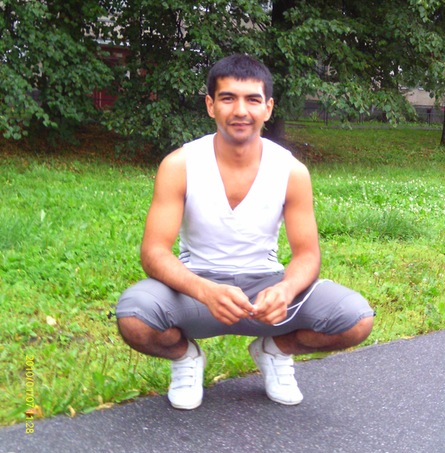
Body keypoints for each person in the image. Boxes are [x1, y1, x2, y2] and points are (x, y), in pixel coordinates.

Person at [116, 54, 374, 410]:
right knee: (134, 317)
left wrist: (285, 290)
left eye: (253, 99)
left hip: (264, 291)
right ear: (210, 105)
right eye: (228, 98)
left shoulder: (291, 171)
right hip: (195, 290)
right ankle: (186, 358)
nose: (241, 111)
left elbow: (307, 255)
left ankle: (274, 350)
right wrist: (205, 291)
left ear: (268, 108)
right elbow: (154, 253)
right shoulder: (180, 165)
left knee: (356, 320)